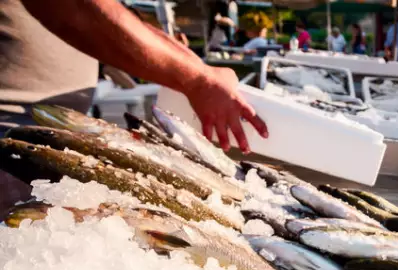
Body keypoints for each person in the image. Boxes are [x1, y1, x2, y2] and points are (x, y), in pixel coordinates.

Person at [0, 0, 268, 212]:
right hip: (11, 142)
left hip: (49, 137)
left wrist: (193, 67)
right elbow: (76, 10)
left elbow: (102, 13)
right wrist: (197, 79)